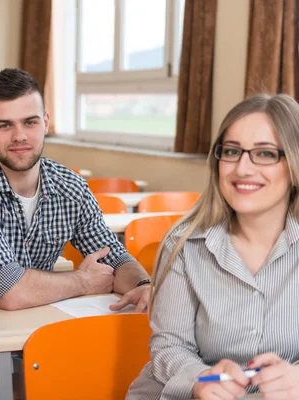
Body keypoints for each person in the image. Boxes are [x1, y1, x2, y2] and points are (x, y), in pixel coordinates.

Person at [126, 94, 299, 400]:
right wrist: (200, 379)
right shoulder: (184, 244)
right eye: (231, 151)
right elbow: (169, 347)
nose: (242, 169)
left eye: (265, 154)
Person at [0, 68, 150, 311]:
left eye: (30, 122)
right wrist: (83, 281)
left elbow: (114, 257)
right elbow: (8, 291)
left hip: (42, 321)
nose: (19, 136)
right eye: (5, 125)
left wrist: (143, 285)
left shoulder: (71, 187)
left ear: (45, 122)